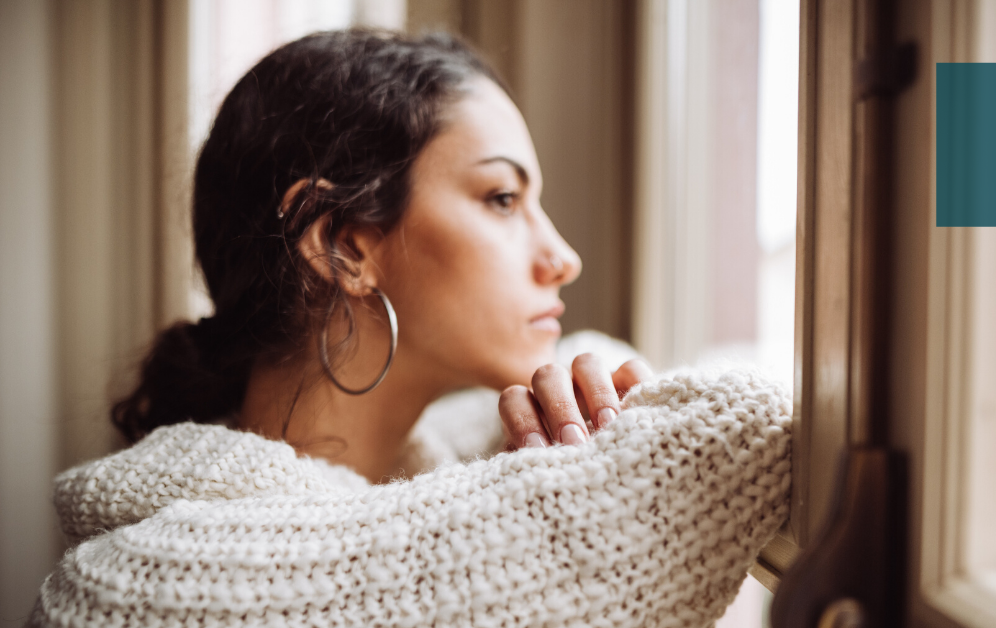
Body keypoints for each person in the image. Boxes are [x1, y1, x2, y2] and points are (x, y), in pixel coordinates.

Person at [28, 30, 792, 627]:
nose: (563, 256)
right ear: (346, 246)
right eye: (501, 198)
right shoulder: (138, 592)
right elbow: (738, 431)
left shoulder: (455, 474)